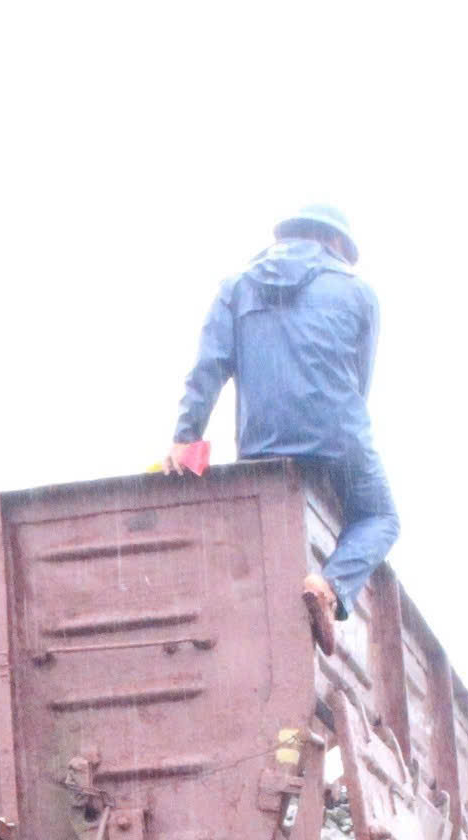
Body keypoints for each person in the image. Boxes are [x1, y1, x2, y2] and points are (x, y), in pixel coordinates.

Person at [164, 204, 397, 656]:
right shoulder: (359, 292)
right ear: (334, 242)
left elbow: (209, 369)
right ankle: (330, 586)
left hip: (262, 444)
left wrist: (185, 438)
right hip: (339, 436)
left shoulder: (236, 287)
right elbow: (359, 381)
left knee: (260, 534)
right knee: (379, 517)